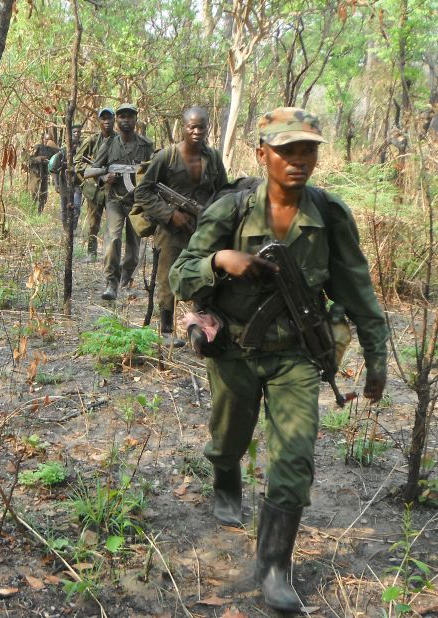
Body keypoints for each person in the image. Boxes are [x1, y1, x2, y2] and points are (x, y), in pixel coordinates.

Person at [169, 107, 388, 612]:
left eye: (307, 149)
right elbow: (181, 275)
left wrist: (376, 360)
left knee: (294, 457)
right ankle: (226, 475)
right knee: (229, 438)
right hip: (235, 352)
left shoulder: (329, 214)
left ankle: (273, 567)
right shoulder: (231, 210)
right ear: (262, 153)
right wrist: (220, 261)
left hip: (296, 356)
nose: (297, 160)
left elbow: (358, 291)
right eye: (286, 150)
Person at [135, 107, 227, 345]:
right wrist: (169, 214)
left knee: (204, 277)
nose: (196, 132)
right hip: (171, 230)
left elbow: (225, 193)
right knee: (168, 279)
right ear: (184, 127)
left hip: (204, 230)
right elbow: (143, 191)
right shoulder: (167, 156)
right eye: (191, 127)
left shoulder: (214, 158)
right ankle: (166, 330)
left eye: (201, 127)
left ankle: (198, 328)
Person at [90, 103, 154, 300]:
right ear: (117, 120)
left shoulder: (146, 146)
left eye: (130, 116)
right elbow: (90, 171)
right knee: (113, 239)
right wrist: (104, 176)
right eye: (122, 116)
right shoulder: (109, 144)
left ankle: (125, 279)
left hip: (137, 202)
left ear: (136, 120)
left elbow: (155, 172)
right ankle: (111, 282)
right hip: (114, 199)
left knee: (134, 249)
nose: (125, 120)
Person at [74, 108, 115, 261]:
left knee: (114, 224)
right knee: (93, 224)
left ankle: (111, 255)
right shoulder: (91, 141)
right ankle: (91, 252)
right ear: (99, 121)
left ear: (114, 119)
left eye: (109, 118)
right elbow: (77, 164)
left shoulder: (120, 140)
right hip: (95, 189)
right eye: (103, 118)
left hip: (114, 189)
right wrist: (97, 172)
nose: (106, 121)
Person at [48, 124, 83, 235]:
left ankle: (72, 229)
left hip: (78, 183)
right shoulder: (63, 151)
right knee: (64, 209)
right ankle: (66, 229)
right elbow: (53, 168)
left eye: (78, 132)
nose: (77, 134)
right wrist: (57, 184)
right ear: (70, 134)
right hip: (64, 184)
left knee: (76, 207)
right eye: (74, 132)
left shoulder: (83, 149)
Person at [27, 132, 59, 213]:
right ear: (43, 139)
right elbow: (29, 159)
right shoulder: (38, 147)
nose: (48, 141)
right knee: (34, 193)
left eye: (50, 140)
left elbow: (56, 160)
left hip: (45, 175)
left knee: (43, 195)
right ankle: (32, 212)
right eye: (47, 139)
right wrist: (39, 159)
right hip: (35, 174)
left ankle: (39, 213)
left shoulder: (53, 150)